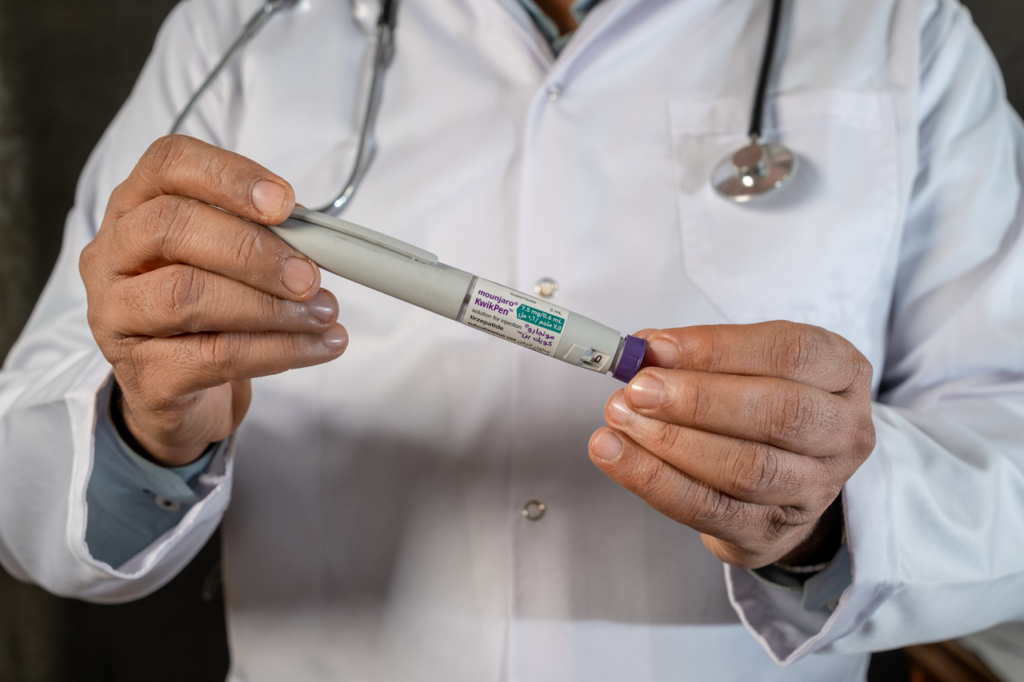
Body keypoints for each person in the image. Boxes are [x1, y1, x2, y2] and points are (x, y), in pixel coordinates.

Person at [1, 0, 1022, 679]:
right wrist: (143, 426)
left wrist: (829, 517)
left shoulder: (898, 27)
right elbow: (26, 483)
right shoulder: (250, 22)